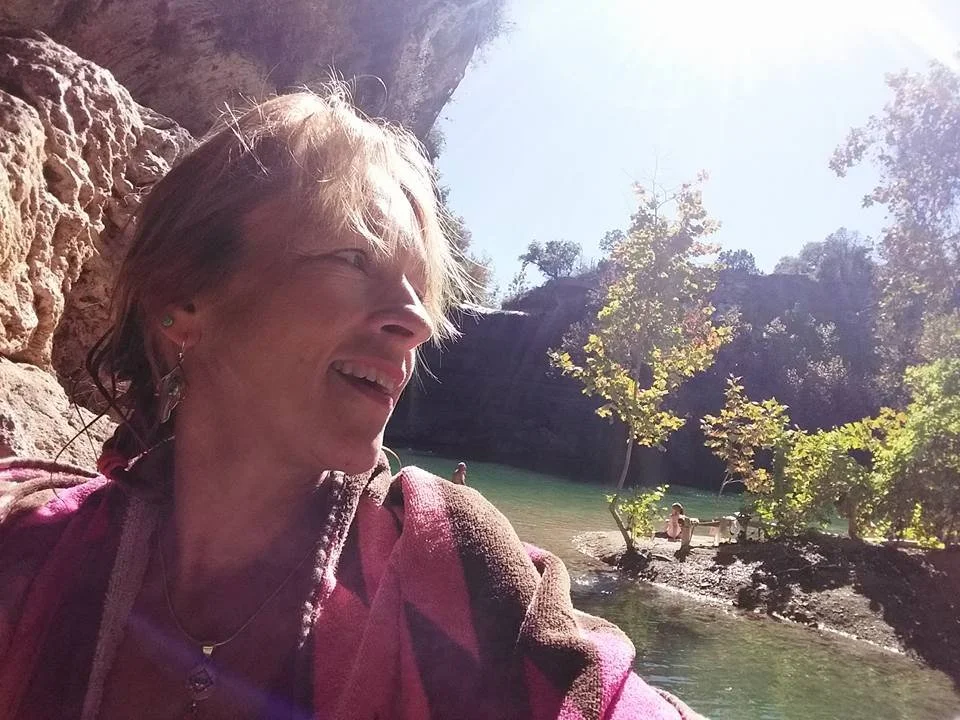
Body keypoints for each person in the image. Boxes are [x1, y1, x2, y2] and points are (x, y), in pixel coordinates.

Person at [0, 89, 702, 720]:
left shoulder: (463, 580)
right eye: (353, 258)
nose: (417, 323)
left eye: (419, 294)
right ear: (184, 302)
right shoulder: (26, 549)